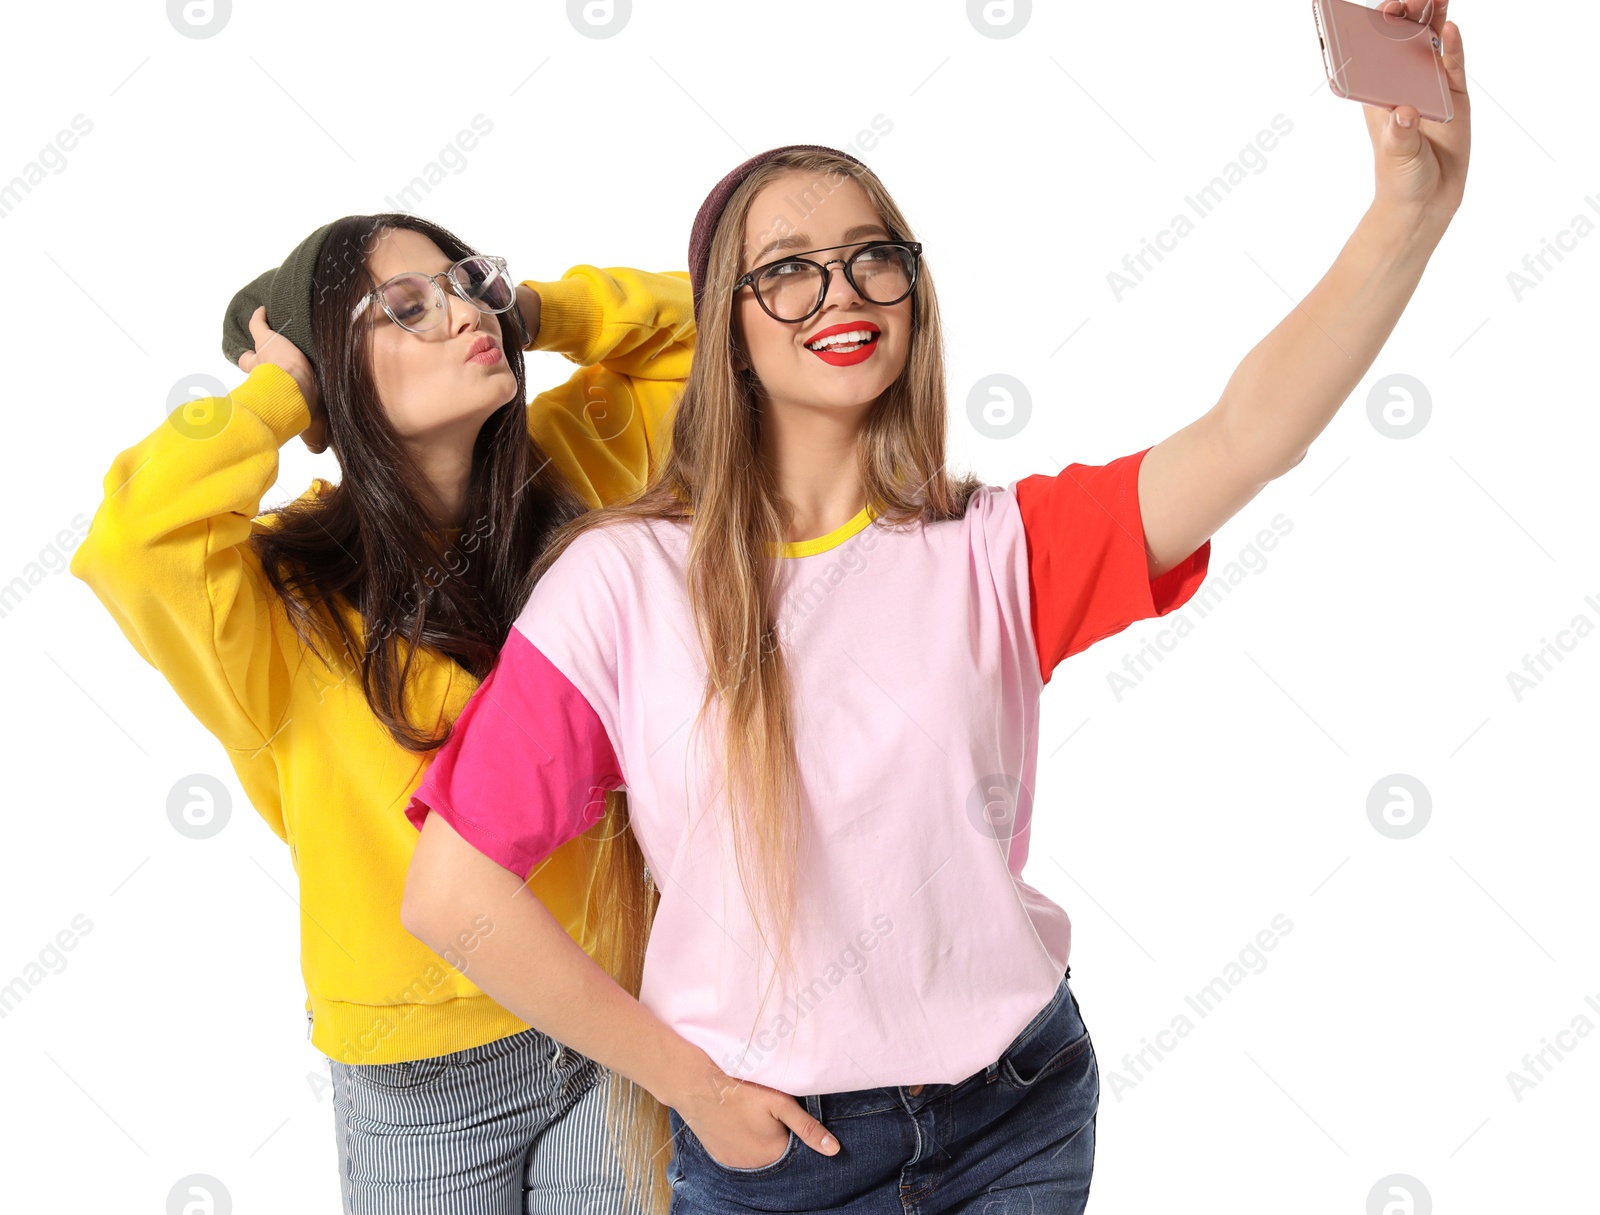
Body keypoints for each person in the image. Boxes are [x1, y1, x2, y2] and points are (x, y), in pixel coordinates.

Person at [400, 15, 1471, 1209]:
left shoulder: (996, 549)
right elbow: (451, 895)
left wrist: (1405, 213)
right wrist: (690, 1089)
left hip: (1019, 1108)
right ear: (729, 328)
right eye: (787, 268)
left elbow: (1246, 435)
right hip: (779, 1152)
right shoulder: (621, 584)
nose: (841, 291)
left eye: (873, 256)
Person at [70, 211, 693, 1214]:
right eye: (406, 307)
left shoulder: (573, 466)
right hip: (422, 1076)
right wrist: (283, 394)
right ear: (330, 373)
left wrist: (537, 310)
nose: (461, 316)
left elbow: (708, 337)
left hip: (612, 1018)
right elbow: (132, 539)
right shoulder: (276, 591)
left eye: (469, 284)